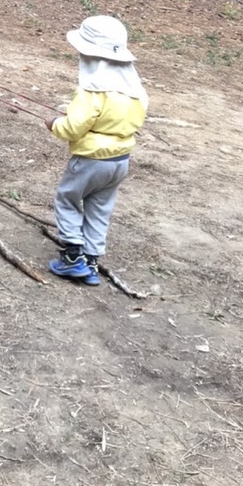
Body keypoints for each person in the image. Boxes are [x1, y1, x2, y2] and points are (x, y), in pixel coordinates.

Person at [45, 15, 148, 285]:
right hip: (120, 161)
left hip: (90, 160)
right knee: (100, 208)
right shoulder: (136, 91)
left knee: (67, 199)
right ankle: (91, 260)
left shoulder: (93, 90)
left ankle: (72, 258)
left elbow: (74, 127)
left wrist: (55, 124)